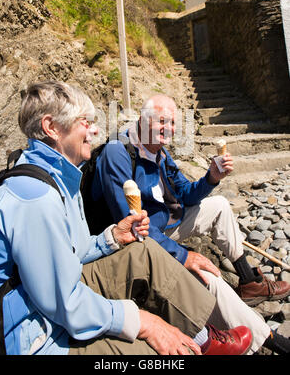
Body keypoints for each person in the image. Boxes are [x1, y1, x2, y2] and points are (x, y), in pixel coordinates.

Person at [0, 80, 257, 356]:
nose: (95, 130)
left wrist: (112, 238)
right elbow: (63, 303)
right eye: (85, 122)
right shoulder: (36, 197)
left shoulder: (63, 179)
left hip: (57, 296)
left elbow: (76, 252)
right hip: (31, 335)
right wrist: (141, 321)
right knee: (153, 350)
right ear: (51, 127)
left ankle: (206, 336)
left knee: (145, 252)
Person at [91, 93, 290, 354]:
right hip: (135, 241)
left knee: (218, 205)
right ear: (142, 120)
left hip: (163, 226)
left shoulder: (158, 152)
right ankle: (266, 340)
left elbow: (185, 192)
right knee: (209, 276)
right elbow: (128, 222)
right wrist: (184, 256)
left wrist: (211, 178)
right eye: (161, 121)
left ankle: (247, 281)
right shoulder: (118, 153)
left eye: (173, 123)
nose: (169, 129)